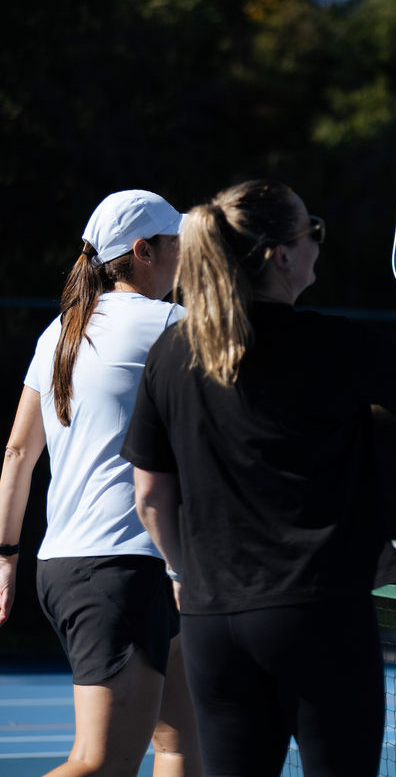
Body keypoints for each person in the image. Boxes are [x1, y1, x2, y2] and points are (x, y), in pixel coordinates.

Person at [119, 180, 396, 777]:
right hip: (318, 614)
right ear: (281, 255)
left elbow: (151, 495)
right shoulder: (328, 343)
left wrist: (186, 573)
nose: (318, 242)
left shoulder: (172, 351)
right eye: (313, 231)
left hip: (212, 623)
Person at [0, 190, 202, 776]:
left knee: (183, 743)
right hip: (123, 572)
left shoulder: (59, 333)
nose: (185, 259)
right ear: (144, 252)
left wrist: (7, 554)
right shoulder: (173, 324)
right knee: (100, 765)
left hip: (91, 567)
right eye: (176, 246)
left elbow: (17, 452)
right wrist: (392, 366)